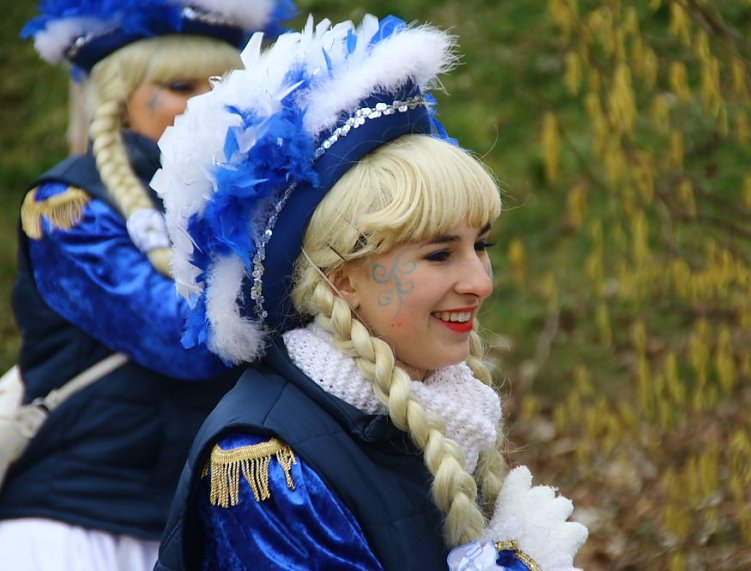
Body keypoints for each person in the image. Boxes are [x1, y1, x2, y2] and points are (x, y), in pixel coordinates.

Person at [153, 14, 589, 571]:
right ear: (342, 279)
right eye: (438, 254)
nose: (481, 282)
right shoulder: (263, 468)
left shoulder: (441, 407)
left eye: (482, 245)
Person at [0, 1, 294, 570]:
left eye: (224, 85)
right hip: (78, 520)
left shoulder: (254, 208)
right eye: (180, 85)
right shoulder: (64, 208)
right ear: (119, 102)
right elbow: (182, 341)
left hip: (192, 523)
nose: (208, 102)